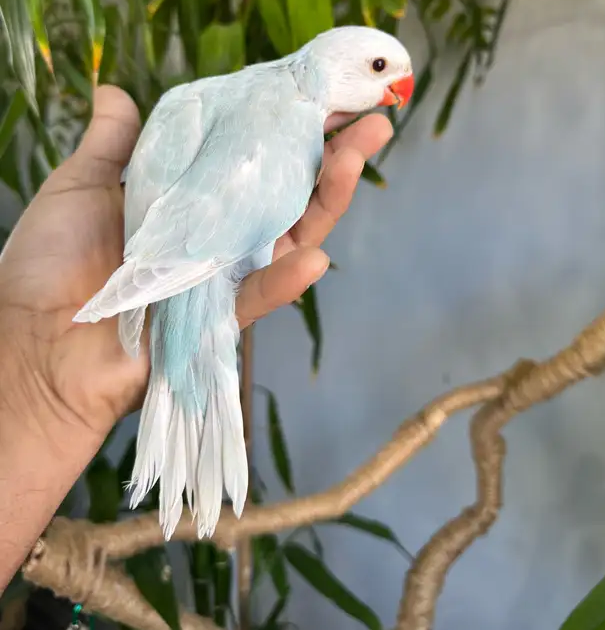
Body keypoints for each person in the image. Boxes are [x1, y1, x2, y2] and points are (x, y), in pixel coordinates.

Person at [0, 85, 393, 593]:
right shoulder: (244, 115)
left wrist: (36, 393)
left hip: (180, 261)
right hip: (175, 259)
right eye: (381, 71)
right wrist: (31, 376)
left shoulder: (236, 111)